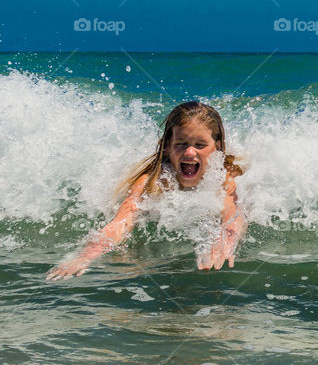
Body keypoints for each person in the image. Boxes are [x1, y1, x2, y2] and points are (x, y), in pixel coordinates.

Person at [46, 101, 245, 280]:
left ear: (217, 147)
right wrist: (84, 257)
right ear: (167, 146)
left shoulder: (225, 176)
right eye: (180, 144)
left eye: (200, 145)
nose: (190, 152)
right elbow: (122, 221)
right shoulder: (153, 181)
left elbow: (233, 215)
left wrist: (225, 242)